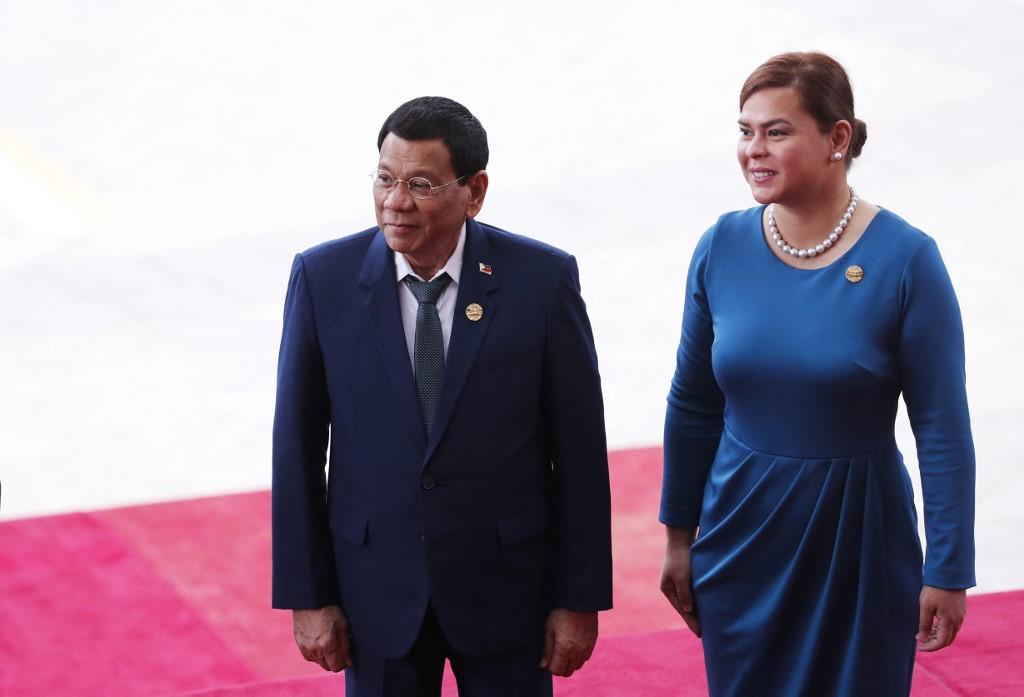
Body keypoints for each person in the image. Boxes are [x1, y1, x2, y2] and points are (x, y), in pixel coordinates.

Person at [271, 96, 612, 697]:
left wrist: (578, 598)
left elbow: (579, 449)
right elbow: (296, 447)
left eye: (421, 184)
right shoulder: (324, 280)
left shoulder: (540, 280)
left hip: (508, 592)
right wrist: (308, 595)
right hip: (375, 594)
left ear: (474, 192)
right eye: (385, 179)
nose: (395, 201)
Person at [658, 52, 975, 697]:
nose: (754, 150)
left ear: (838, 138)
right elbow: (692, 403)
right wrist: (678, 538)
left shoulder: (907, 259)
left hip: (858, 538)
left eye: (776, 132)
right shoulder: (721, 245)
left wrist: (948, 569)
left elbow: (942, 427)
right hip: (741, 534)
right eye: (745, 131)